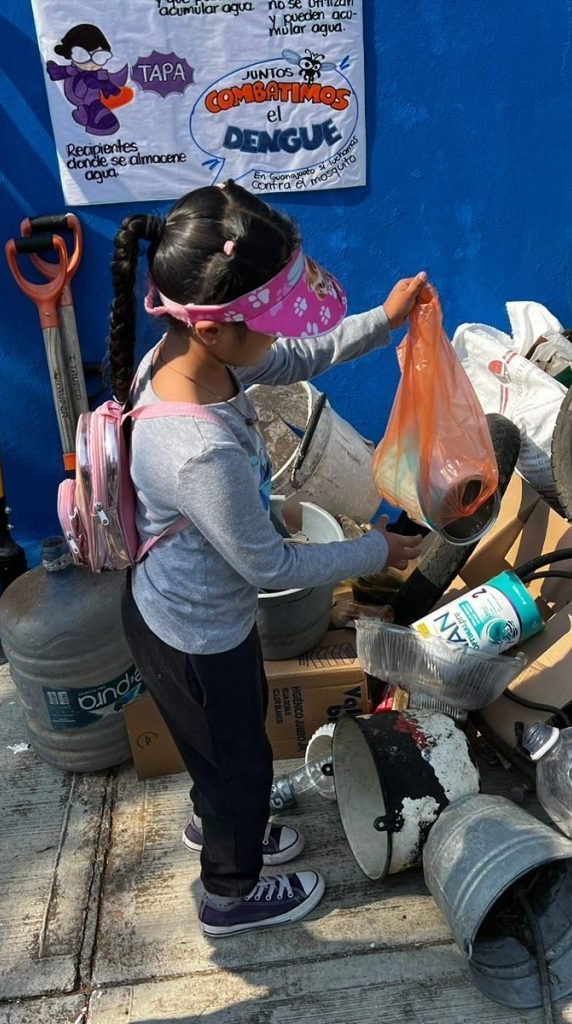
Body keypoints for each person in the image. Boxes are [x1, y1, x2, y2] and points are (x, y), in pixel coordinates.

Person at [110, 180, 425, 938]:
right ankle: (230, 890)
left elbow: (298, 357)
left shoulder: (192, 358)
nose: (277, 339)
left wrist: (382, 321)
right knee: (240, 766)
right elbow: (273, 571)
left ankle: (222, 822)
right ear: (214, 327)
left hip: (191, 614)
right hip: (193, 634)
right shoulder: (198, 448)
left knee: (224, 746)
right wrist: (373, 547)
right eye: (266, 323)